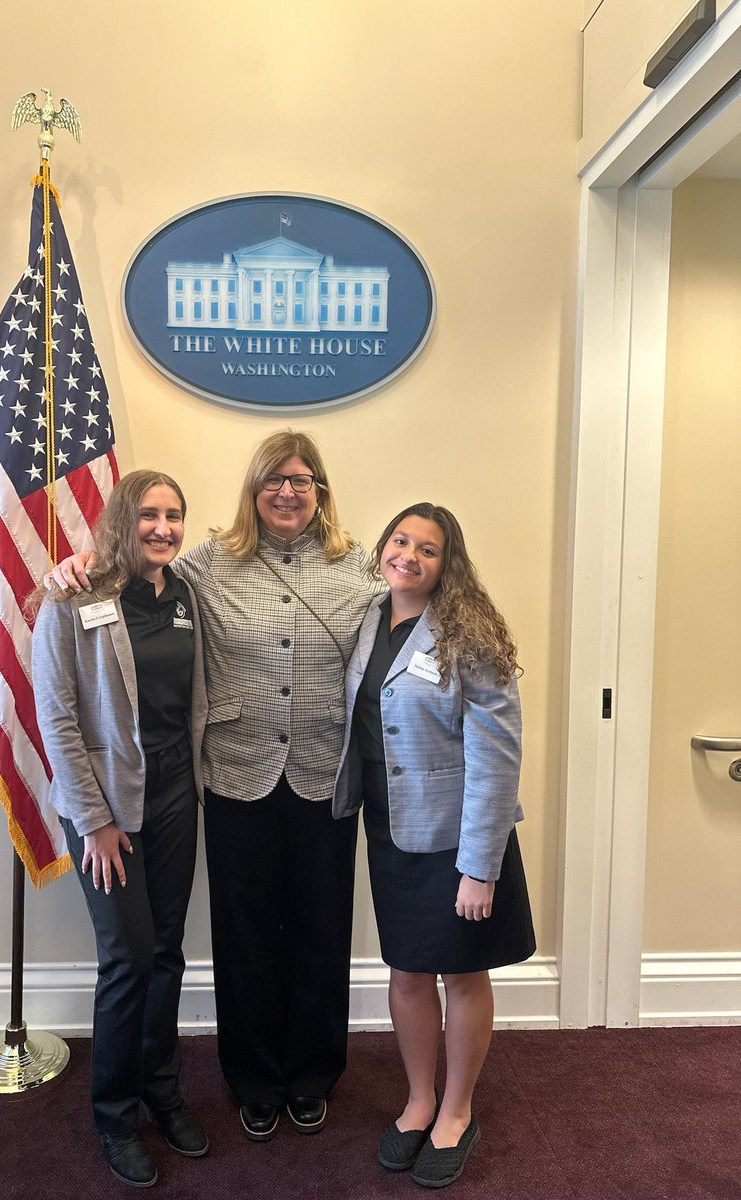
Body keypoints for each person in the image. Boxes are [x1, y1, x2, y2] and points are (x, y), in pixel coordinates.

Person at [50, 431, 381, 1142]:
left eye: (302, 480)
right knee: (245, 937)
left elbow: (408, 613)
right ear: (252, 490)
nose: (287, 493)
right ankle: (255, 1080)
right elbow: (135, 564)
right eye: (273, 481)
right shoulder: (207, 564)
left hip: (325, 777)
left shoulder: (358, 566)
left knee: (322, 934)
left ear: (320, 489)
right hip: (235, 776)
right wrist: (77, 563)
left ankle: (314, 1072)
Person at [333, 502, 535, 1189]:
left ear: (449, 564)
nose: (410, 556)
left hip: (457, 840)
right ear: (383, 546)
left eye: (428, 549)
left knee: (461, 972)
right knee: (408, 970)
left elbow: (498, 758)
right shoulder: (369, 618)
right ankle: (419, 1101)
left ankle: (457, 1110)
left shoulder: (469, 634)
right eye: (401, 541)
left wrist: (481, 867)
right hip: (392, 832)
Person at [31, 470, 209, 1188]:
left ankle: (162, 1089)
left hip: (176, 794)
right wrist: (95, 821)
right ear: (121, 519)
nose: (162, 528)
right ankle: (115, 1112)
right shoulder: (74, 596)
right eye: (148, 515)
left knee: (167, 951)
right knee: (128, 956)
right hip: (105, 808)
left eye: (174, 515)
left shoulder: (186, 593)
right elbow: (57, 716)